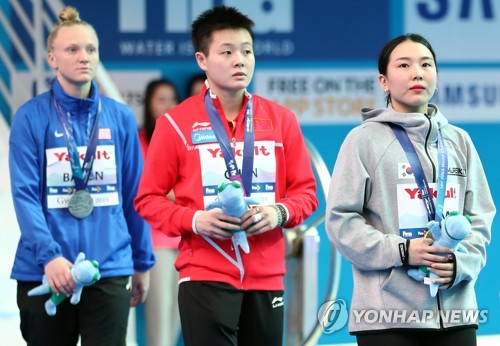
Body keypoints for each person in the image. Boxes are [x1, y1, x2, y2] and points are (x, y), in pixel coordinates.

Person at [134, 5, 318, 346]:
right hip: (203, 274)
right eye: (227, 51)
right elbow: (148, 199)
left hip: (267, 276)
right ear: (202, 60)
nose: (240, 60)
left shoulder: (281, 120)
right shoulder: (175, 123)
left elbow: (306, 194)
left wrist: (278, 212)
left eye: (247, 51)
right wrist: (195, 220)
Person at [325, 33, 495, 346]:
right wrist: (402, 251)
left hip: (457, 315)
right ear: (384, 82)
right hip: (387, 319)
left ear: (436, 77)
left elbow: (480, 217)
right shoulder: (363, 141)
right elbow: (340, 221)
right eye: (404, 65)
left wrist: (460, 264)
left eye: (426, 64)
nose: (417, 72)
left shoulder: (459, 141)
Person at [8, 6, 155, 346]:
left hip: (110, 267)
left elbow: (137, 195)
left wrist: (142, 261)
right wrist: (50, 257)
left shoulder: (119, 118)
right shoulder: (30, 118)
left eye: (90, 49)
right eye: (72, 49)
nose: (83, 56)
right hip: (44, 270)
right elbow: (25, 196)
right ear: (52, 58)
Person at [138, 78, 181, 346]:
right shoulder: (140, 140)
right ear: (149, 104)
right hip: (156, 243)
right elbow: (145, 191)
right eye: (160, 99)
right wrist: (181, 194)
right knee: (159, 318)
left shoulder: (182, 138)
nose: (167, 105)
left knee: (177, 317)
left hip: (187, 240)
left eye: (172, 99)